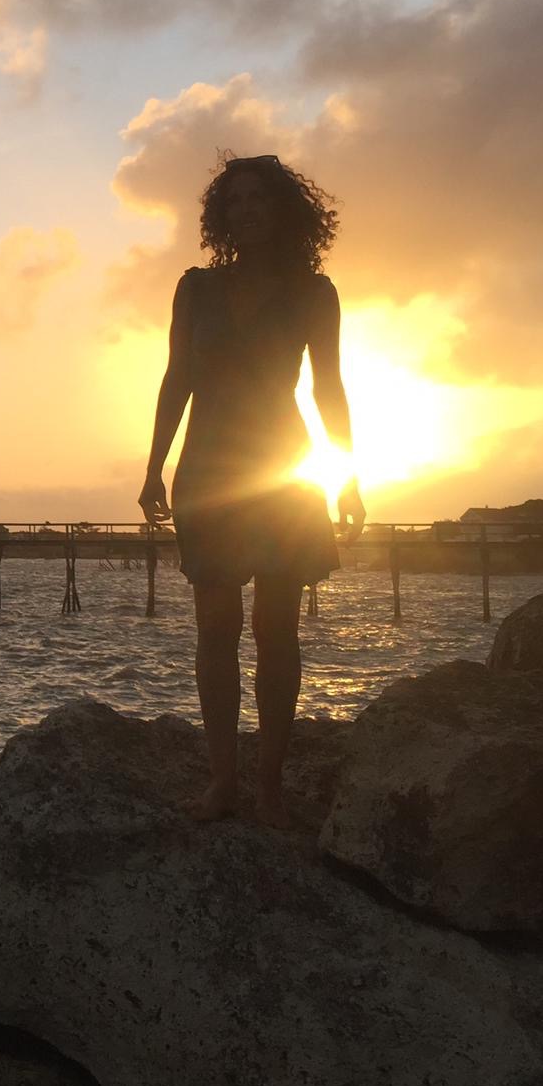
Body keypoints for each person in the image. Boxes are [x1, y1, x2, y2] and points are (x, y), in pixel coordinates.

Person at [139, 153, 365, 827]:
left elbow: (329, 387)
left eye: (257, 201)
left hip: (281, 470)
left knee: (277, 629)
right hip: (208, 468)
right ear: (221, 217)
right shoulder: (196, 288)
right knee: (216, 626)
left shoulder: (313, 292)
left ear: (285, 212)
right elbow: (176, 375)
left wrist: (349, 474)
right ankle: (223, 783)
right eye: (234, 204)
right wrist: (154, 466)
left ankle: (268, 788)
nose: (245, 214)